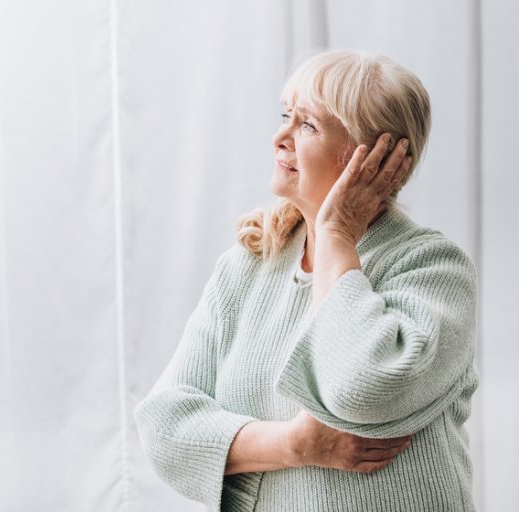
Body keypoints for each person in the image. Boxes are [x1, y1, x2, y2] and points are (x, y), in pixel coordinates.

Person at [132, 50, 478, 512]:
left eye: (307, 125)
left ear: (371, 157)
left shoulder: (433, 268)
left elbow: (364, 388)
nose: (280, 137)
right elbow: (163, 426)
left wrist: (336, 234)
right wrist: (296, 444)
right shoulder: (248, 267)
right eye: (285, 116)